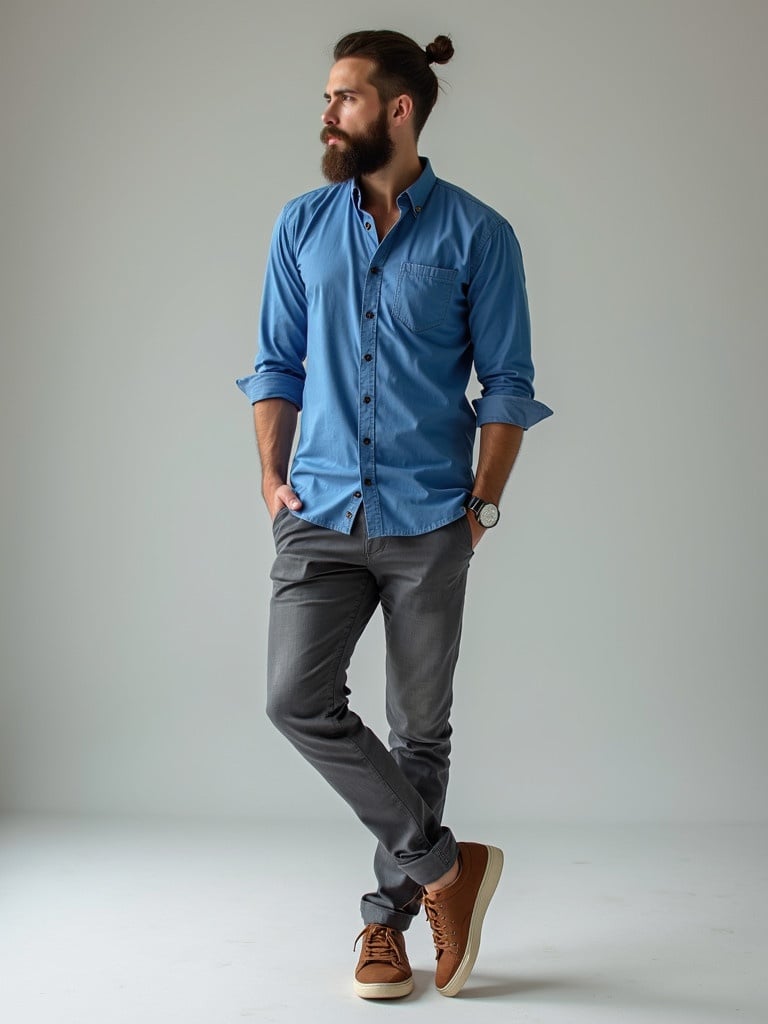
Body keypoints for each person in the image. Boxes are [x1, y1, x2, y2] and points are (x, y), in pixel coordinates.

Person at [235, 29, 553, 999]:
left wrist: (483, 505)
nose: (326, 113)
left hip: (427, 519)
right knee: (296, 698)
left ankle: (389, 926)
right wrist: (271, 476)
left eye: (344, 97)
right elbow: (276, 363)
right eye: (328, 97)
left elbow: (507, 384)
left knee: (421, 730)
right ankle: (446, 866)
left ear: (398, 109)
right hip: (320, 511)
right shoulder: (300, 225)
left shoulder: (478, 235)